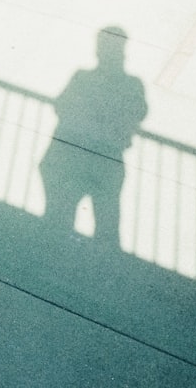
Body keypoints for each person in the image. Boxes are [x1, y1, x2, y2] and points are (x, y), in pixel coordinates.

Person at [40, 27, 147, 246]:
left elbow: (61, 106)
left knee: (58, 220)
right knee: (106, 226)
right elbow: (139, 112)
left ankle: (54, 258)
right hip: (106, 160)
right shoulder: (132, 85)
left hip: (72, 156)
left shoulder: (83, 78)